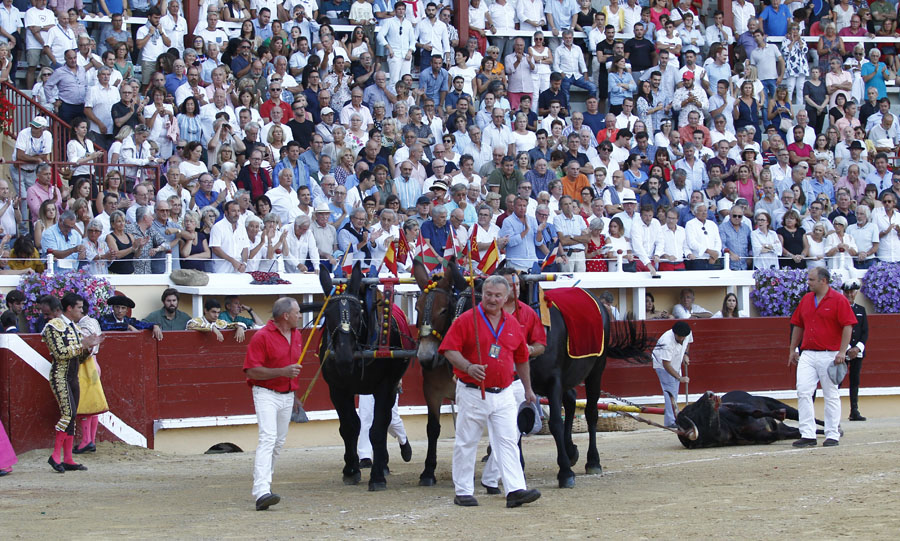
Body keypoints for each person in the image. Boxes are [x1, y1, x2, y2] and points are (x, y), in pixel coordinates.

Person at [438, 275, 541, 508]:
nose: (492, 299)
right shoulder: (467, 320)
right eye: (488, 294)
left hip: (504, 392)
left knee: (507, 441)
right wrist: (467, 367)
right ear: (482, 294)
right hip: (473, 391)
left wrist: (528, 389)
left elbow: (522, 359)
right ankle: (463, 491)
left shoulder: (513, 324)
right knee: (467, 441)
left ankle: (515, 490)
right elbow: (448, 349)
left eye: (497, 296)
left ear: (506, 298)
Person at [481, 268, 547, 493]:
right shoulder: (483, 314)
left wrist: (526, 349)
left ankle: (493, 478)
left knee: (511, 433)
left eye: (518, 284)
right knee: (497, 435)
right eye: (512, 284)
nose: (516, 288)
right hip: (487, 384)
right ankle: (493, 480)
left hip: (516, 381)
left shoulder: (527, 313)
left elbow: (541, 345)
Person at [243, 297, 303, 511]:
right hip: (265, 393)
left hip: (287, 395)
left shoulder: (297, 335)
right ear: (286, 316)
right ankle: (261, 491)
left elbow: (292, 372)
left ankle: (265, 485)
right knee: (268, 439)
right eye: (297, 312)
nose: (300, 315)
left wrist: (294, 394)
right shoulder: (262, 336)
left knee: (277, 442)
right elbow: (251, 371)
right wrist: (282, 372)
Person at [788, 267, 857, 448]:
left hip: (830, 354)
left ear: (823, 281)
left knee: (830, 394)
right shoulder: (806, 299)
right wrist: (792, 349)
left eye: (811, 280)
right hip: (808, 353)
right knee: (803, 391)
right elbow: (798, 325)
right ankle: (808, 434)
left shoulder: (839, 300)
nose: (808, 282)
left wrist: (842, 352)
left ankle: (832, 433)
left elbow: (848, 326)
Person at [42, 293, 103, 473]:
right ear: (69, 308)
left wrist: (90, 347)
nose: (82, 311)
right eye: (79, 307)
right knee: (68, 414)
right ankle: (55, 456)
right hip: (60, 377)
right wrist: (83, 345)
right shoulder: (53, 326)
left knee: (72, 416)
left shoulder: (76, 329)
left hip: (72, 376)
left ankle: (68, 459)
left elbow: (80, 356)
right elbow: (60, 353)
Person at [652, 321, 692, 428]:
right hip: (662, 366)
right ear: (675, 334)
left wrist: (685, 354)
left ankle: (674, 417)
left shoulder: (687, 334)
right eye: (680, 337)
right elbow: (666, 364)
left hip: (676, 362)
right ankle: (670, 421)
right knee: (670, 393)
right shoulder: (666, 341)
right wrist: (679, 378)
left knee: (674, 392)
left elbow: (688, 342)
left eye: (684, 337)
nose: (682, 339)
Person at [840, 281, 869, 422]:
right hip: (841, 351)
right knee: (837, 380)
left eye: (852, 292)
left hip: (857, 351)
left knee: (855, 380)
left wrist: (857, 348)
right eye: (847, 292)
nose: (850, 295)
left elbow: (865, 332)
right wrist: (845, 349)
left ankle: (854, 410)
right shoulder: (838, 309)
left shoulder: (861, 310)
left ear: (856, 292)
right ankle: (835, 411)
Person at [99, 295, 163, 341]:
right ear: (113, 308)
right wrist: (128, 326)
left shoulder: (129, 320)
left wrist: (155, 325)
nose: (120, 311)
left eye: (123, 308)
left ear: (127, 310)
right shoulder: (104, 319)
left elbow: (143, 325)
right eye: (117, 307)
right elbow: (105, 326)